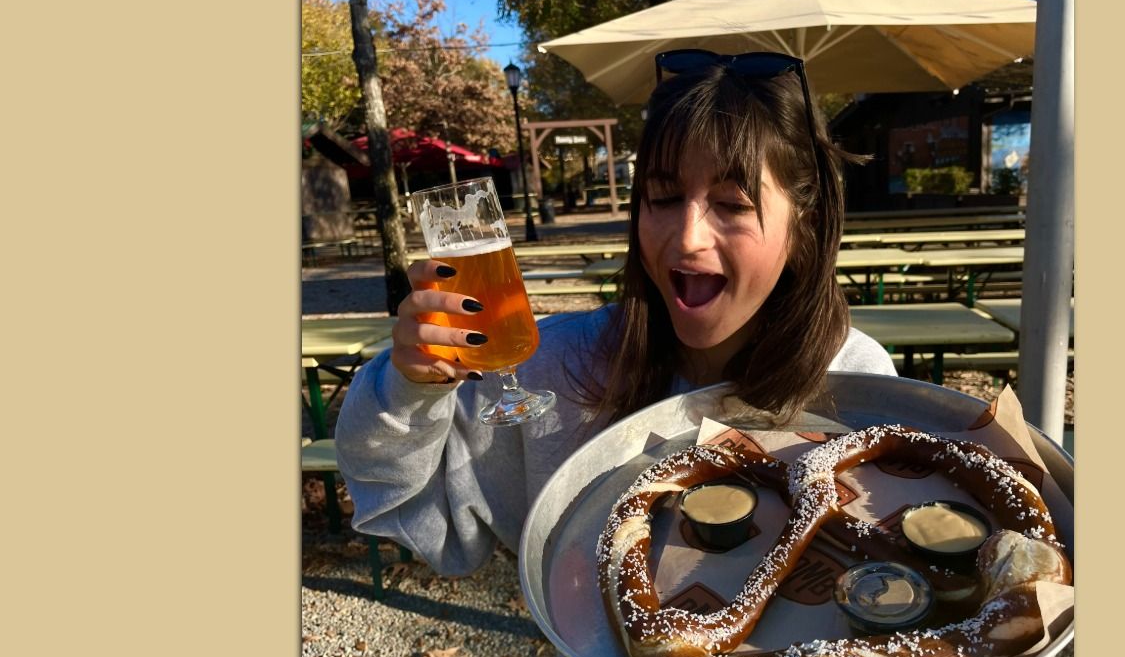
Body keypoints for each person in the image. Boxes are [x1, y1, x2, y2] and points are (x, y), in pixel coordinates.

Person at [333, 53, 896, 614]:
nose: (688, 237)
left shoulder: (854, 378)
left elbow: (883, 579)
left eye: (731, 204)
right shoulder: (549, 368)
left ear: (806, 225)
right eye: (664, 197)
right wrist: (409, 390)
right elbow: (427, 521)